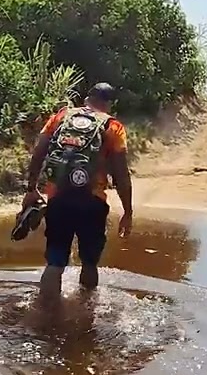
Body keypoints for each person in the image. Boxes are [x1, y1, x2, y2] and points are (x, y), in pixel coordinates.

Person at [17, 82, 133, 294]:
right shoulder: (113, 126)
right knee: (89, 263)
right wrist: (128, 211)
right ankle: (86, 312)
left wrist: (31, 189)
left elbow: (39, 153)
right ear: (108, 104)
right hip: (92, 201)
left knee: (55, 262)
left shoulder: (62, 116)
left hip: (58, 197)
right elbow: (121, 174)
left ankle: (45, 316)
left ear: (87, 98)